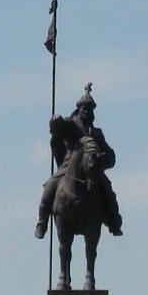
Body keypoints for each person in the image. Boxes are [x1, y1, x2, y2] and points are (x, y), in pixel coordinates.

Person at [35, 83, 123, 239]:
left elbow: (109, 155)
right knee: (49, 187)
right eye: (85, 108)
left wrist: (104, 159)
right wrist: (55, 122)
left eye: (90, 109)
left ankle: (113, 220)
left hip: (92, 170)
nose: (87, 112)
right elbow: (58, 128)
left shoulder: (97, 133)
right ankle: (42, 222)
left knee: (108, 191)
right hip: (69, 166)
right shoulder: (71, 125)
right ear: (79, 109)